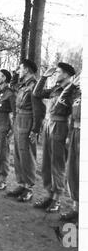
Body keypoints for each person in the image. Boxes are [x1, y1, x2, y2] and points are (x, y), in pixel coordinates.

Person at [33, 62, 76, 213]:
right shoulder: (55, 89)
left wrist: (69, 136)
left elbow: (74, 115)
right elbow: (36, 94)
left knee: (58, 164)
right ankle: (49, 195)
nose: (55, 74)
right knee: (46, 162)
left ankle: (57, 199)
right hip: (48, 125)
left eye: (57, 72)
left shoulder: (73, 91)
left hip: (60, 127)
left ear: (66, 74)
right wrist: (44, 77)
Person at [6, 59, 45, 202]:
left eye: (20, 68)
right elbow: (12, 88)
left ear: (27, 70)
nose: (18, 71)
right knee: (17, 154)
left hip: (27, 121)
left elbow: (39, 110)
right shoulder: (23, 85)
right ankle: (21, 184)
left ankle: (29, 188)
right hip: (19, 121)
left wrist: (35, 130)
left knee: (27, 155)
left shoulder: (34, 86)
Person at [59, 75, 80, 222]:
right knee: (73, 171)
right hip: (75, 134)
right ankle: (76, 209)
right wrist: (72, 86)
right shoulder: (77, 94)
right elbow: (62, 101)